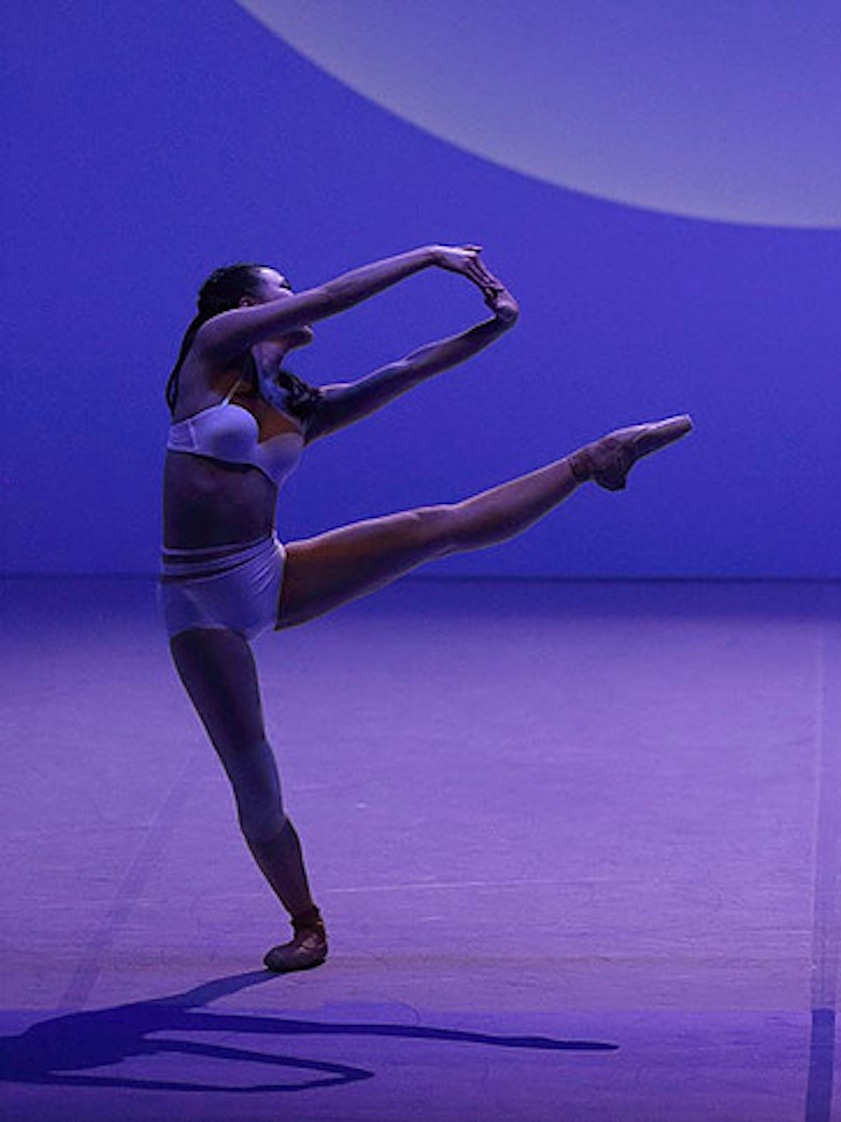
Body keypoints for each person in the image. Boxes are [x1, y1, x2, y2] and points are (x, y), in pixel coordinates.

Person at [162, 245, 691, 971]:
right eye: (282, 288)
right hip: (202, 602)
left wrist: (493, 329)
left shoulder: (294, 403)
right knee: (256, 783)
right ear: (249, 308)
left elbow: (404, 372)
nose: (297, 294)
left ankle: (592, 460)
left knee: (435, 527)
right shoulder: (211, 349)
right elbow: (332, 298)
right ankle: (306, 921)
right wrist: (428, 259)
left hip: (268, 571)